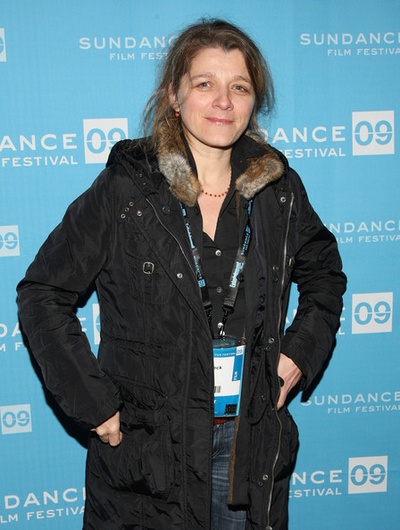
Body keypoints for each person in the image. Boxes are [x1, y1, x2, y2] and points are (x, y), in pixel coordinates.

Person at [17, 18, 346, 530]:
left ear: (253, 102)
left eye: (240, 87)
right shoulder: (127, 190)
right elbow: (42, 293)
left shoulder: (278, 189)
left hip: (247, 445)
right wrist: (94, 402)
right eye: (205, 83)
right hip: (151, 455)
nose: (224, 101)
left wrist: (298, 354)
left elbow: (324, 274)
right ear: (175, 95)